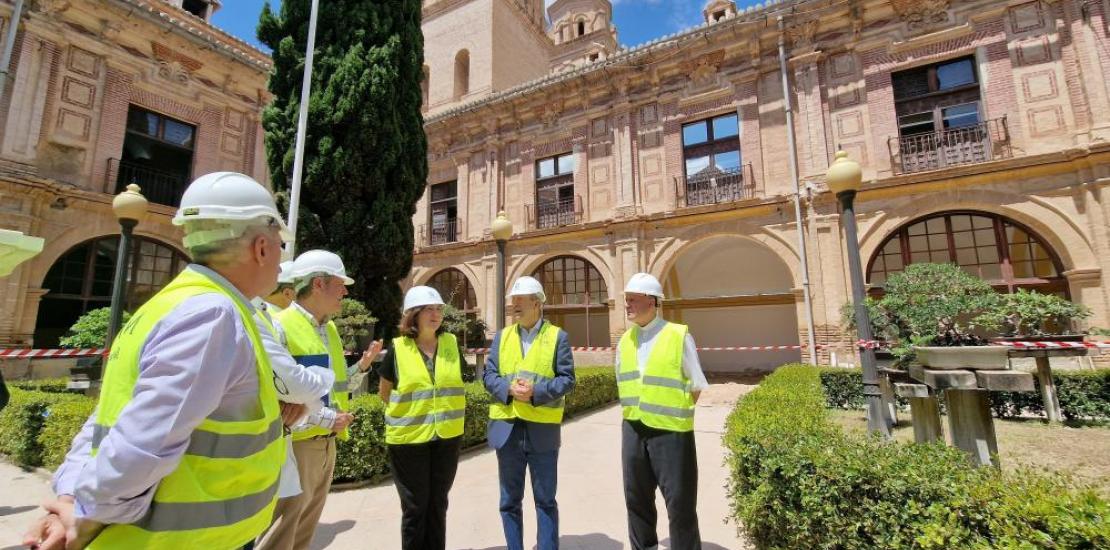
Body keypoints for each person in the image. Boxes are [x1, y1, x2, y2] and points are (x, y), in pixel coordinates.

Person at [22, 172, 293, 549]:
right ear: (261, 247)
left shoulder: (169, 305)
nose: (283, 259)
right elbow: (142, 444)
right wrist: (81, 516)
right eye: (280, 245)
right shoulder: (213, 315)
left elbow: (106, 419)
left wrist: (68, 497)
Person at [256, 250, 381, 550]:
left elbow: (335, 385)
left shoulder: (331, 329)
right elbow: (280, 402)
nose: (346, 291)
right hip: (297, 447)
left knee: (303, 536)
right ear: (318, 285)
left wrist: (362, 367)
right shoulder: (280, 326)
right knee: (280, 534)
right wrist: (327, 419)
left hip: (327, 444)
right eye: (340, 283)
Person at [483, 276, 575, 550]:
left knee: (545, 499)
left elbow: (567, 379)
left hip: (542, 431)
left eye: (520, 302)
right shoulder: (502, 336)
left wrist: (537, 391)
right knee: (509, 501)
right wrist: (507, 389)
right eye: (513, 303)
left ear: (537, 303)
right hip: (507, 429)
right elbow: (488, 376)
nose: (514, 308)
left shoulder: (558, 337)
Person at [617, 273, 708, 550]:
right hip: (633, 429)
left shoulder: (678, 335)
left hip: (671, 432)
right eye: (626, 300)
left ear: (653, 301)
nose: (627, 304)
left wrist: (671, 411)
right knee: (637, 500)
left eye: (633, 299)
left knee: (680, 504)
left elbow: (696, 385)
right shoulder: (624, 341)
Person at [378, 286, 466, 550]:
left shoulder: (450, 343)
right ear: (413, 314)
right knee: (415, 507)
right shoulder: (399, 348)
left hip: (447, 437)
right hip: (408, 441)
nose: (435, 314)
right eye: (429, 309)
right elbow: (385, 393)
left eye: (439, 309)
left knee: (439, 503)